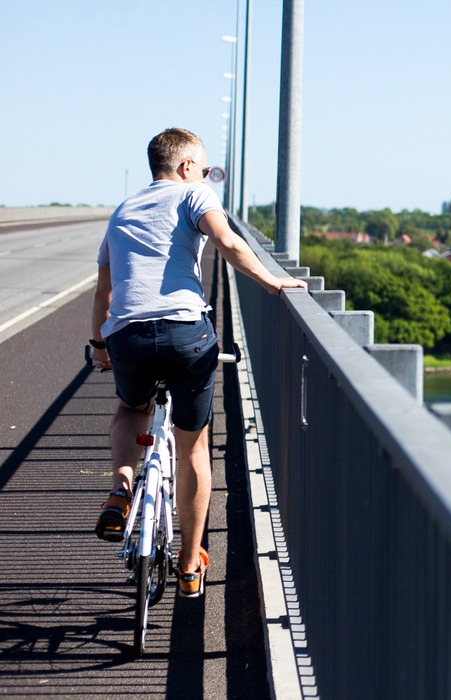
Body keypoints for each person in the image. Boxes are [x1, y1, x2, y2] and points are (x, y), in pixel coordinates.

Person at [90, 127, 306, 598]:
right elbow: (227, 242)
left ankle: (121, 489)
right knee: (193, 447)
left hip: (126, 333)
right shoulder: (194, 195)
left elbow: (104, 292)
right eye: (204, 169)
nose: (206, 176)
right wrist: (272, 281)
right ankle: (190, 564)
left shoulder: (121, 212)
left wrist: (99, 345)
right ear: (187, 168)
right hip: (186, 333)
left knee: (131, 409)